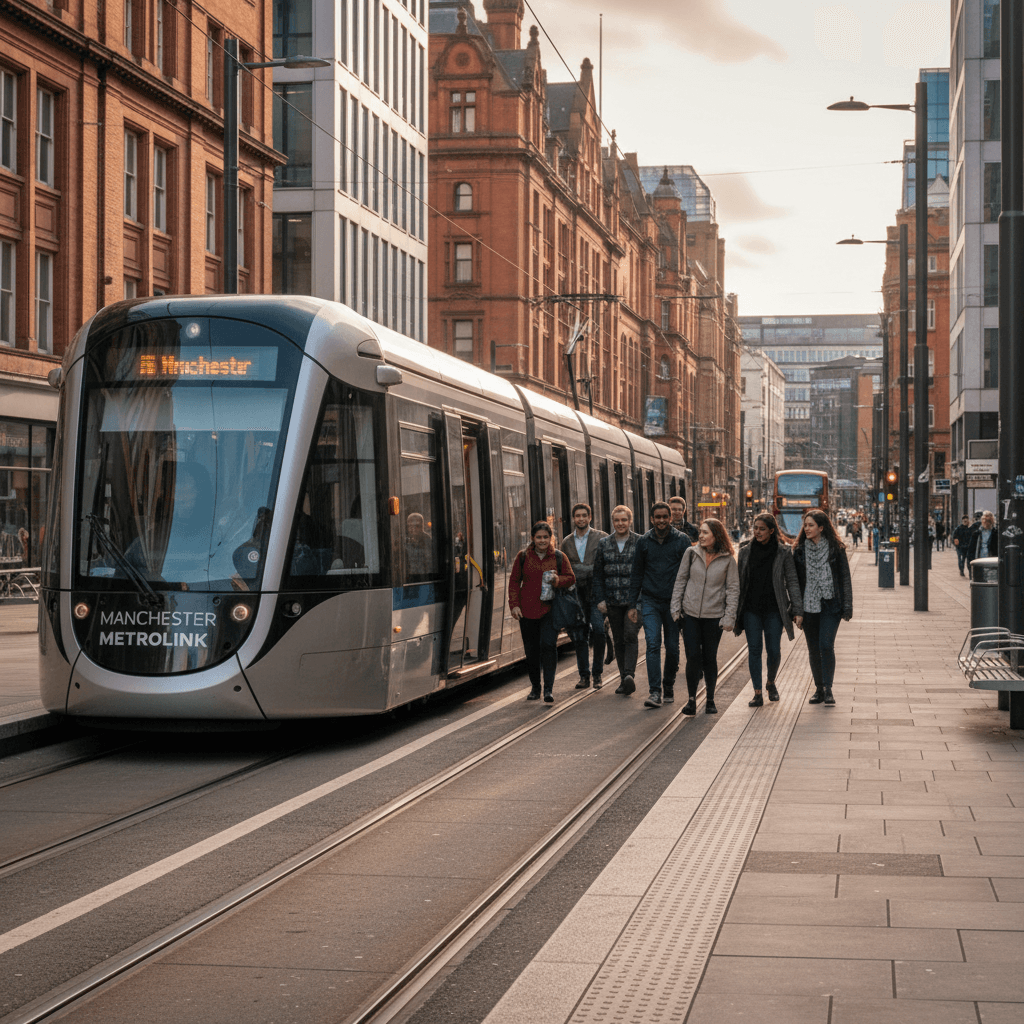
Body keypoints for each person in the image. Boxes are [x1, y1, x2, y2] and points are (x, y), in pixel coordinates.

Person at [733, 513, 803, 708]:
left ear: (772, 531)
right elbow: (739, 582)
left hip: (774, 609)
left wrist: (797, 609)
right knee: (754, 650)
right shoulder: (745, 551)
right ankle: (757, 693)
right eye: (755, 528)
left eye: (762, 529)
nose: (757, 532)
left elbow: (792, 582)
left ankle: (770, 682)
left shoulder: (783, 552)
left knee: (773, 650)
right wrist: (733, 611)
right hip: (751, 610)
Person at [669, 518, 739, 715]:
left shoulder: (727, 559)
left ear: (716, 535)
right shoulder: (691, 553)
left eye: (705, 532)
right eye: (700, 532)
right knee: (692, 657)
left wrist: (729, 617)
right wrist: (675, 609)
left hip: (714, 616)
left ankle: (710, 699)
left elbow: (733, 589)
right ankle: (691, 699)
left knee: (710, 657)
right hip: (690, 614)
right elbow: (681, 580)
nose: (700, 536)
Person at [627, 501, 691, 708]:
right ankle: (655, 691)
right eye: (658, 517)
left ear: (671, 518)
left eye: (665, 517)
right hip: (650, 601)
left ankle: (668, 684)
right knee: (653, 644)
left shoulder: (682, 541)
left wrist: (686, 603)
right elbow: (636, 574)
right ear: (652, 519)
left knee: (672, 647)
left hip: (674, 603)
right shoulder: (644, 542)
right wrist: (631, 605)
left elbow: (690, 573)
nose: (662, 520)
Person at [792, 509, 853, 707]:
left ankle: (828, 688)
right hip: (809, 606)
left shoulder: (836, 549)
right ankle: (819, 689)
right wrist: (797, 611)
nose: (806, 529)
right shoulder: (799, 551)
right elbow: (795, 583)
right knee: (813, 649)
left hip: (830, 604)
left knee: (826, 645)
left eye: (811, 525)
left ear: (821, 527)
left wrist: (847, 606)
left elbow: (845, 579)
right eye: (805, 525)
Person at [509, 522, 576, 703]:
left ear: (550, 538)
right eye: (538, 537)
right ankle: (535, 687)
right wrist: (514, 605)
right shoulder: (523, 557)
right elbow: (514, 581)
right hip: (527, 611)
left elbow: (571, 578)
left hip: (550, 610)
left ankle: (548, 689)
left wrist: (557, 580)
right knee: (531, 651)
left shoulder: (559, 556)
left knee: (548, 646)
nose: (542, 540)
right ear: (532, 538)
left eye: (545, 537)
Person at [593, 505, 643, 695]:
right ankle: (624, 680)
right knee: (619, 640)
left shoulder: (640, 542)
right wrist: (600, 599)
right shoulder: (604, 543)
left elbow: (644, 573)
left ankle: (629, 674)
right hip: (612, 602)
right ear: (612, 522)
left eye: (624, 520)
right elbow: (597, 574)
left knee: (630, 635)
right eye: (617, 520)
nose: (620, 523)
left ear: (630, 521)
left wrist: (639, 601)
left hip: (633, 602)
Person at [561, 503, 609, 689]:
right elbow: (567, 570)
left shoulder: (602, 538)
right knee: (579, 635)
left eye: (584, 515)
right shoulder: (566, 542)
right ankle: (584, 676)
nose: (580, 519)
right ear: (573, 519)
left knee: (598, 630)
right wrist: (588, 570)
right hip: (576, 596)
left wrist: (581, 570)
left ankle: (597, 673)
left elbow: (603, 566)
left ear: (590, 517)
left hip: (596, 593)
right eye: (577, 516)